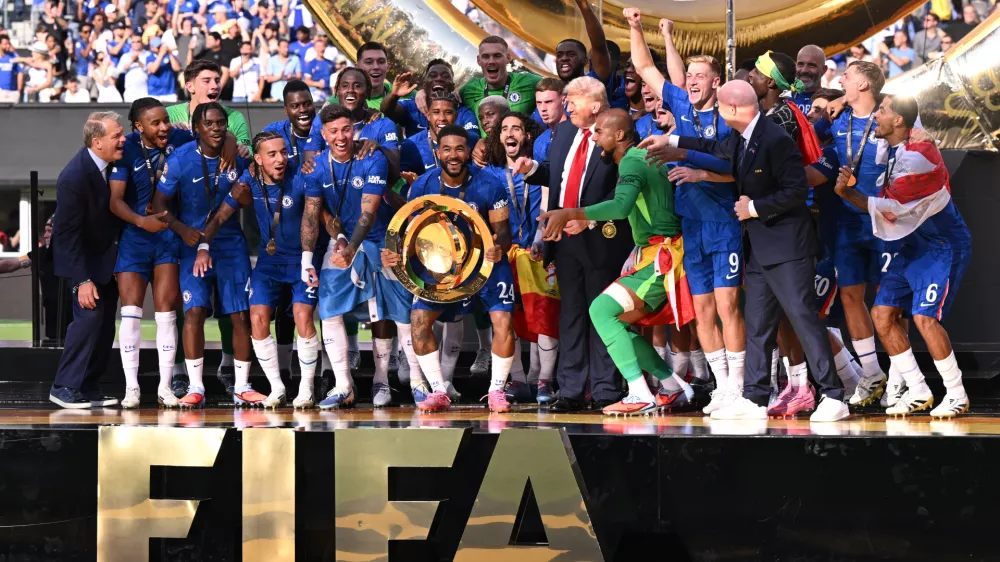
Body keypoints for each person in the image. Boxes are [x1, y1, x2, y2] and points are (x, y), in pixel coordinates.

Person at [652, 80, 848, 422]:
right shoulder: (740, 137)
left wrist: (754, 207)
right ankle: (755, 398)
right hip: (758, 249)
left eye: (721, 109)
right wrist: (672, 140)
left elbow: (797, 190)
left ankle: (834, 395)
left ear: (730, 110)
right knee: (758, 325)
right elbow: (712, 146)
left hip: (788, 246)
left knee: (803, 318)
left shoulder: (775, 140)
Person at [627, 8, 747, 414]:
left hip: (724, 223)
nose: (691, 81)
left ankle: (739, 387)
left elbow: (736, 171)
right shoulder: (679, 102)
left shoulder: (730, 115)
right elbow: (644, 65)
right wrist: (635, 26)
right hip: (690, 226)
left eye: (700, 77)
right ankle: (722, 388)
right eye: (689, 76)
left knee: (728, 305)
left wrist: (699, 174)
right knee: (701, 311)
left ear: (717, 83)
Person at [539, 108, 696, 415]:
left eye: (599, 132)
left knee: (601, 310)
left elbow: (621, 207)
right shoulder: (638, 157)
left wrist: (573, 213)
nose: (594, 137)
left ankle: (640, 392)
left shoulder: (633, 161)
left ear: (620, 135)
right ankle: (673, 387)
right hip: (653, 252)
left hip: (661, 256)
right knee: (619, 320)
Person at [834, 95, 971, 418]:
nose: (875, 116)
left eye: (882, 111)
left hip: (941, 245)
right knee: (882, 316)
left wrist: (847, 193)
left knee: (924, 318)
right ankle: (918, 389)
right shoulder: (896, 145)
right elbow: (909, 122)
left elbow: (892, 212)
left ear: (898, 121)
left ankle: (956, 393)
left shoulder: (917, 157)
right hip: (911, 245)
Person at [511, 76, 632, 412]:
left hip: (601, 239)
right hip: (564, 240)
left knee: (602, 315)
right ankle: (571, 389)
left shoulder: (616, 131)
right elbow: (557, 172)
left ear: (595, 104)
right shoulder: (563, 131)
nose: (567, 106)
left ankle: (607, 389)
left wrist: (589, 219)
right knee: (571, 315)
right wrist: (532, 167)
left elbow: (620, 190)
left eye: (572, 100)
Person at [382, 125, 517, 413]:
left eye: (459, 149)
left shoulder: (490, 184)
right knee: (419, 320)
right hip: (442, 267)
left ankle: (496, 392)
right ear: (437, 152)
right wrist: (394, 255)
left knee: (503, 323)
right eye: (447, 149)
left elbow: (503, 232)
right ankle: (439, 391)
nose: (453, 155)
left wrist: (499, 247)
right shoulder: (422, 185)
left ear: (468, 151)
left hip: (487, 265)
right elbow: (410, 229)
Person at [301, 104, 427, 408]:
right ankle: (344, 386)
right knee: (328, 308)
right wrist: (309, 257)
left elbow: (368, 212)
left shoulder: (372, 158)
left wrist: (351, 247)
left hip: (384, 240)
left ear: (354, 129)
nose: (341, 136)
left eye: (346, 129)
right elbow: (312, 214)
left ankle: (417, 382)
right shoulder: (316, 167)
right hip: (344, 240)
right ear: (323, 134)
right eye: (334, 131)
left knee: (400, 311)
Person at [202, 131, 322, 408]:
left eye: (283, 152)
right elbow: (222, 213)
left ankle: (306, 389)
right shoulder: (248, 179)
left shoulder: (303, 176)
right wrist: (203, 246)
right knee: (257, 317)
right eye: (272, 154)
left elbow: (314, 218)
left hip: (302, 260)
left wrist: (311, 259)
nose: (281, 159)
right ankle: (277, 388)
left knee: (303, 315)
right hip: (269, 263)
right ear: (258, 159)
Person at [151, 102, 259, 407]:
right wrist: (181, 228)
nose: (216, 128)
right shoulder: (182, 159)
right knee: (194, 312)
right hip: (190, 243)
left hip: (230, 246)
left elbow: (248, 201)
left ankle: (242, 385)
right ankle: (196, 387)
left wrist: (243, 189)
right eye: (209, 123)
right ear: (197, 128)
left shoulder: (235, 157)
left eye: (221, 123)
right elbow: (158, 204)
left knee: (239, 315)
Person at [108, 98, 193, 409]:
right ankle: (132, 388)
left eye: (165, 121)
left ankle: (165, 387)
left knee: (166, 313)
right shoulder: (126, 146)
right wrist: (141, 220)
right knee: (130, 312)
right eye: (155, 123)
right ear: (138, 126)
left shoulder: (182, 138)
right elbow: (115, 201)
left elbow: (215, 138)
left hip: (168, 238)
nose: (164, 127)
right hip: (134, 237)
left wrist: (231, 146)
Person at [815, 61, 890, 407]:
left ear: (863, 84)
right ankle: (872, 374)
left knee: (890, 306)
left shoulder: (890, 114)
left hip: (884, 220)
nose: (840, 78)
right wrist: (836, 106)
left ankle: (902, 378)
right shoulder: (837, 119)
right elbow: (812, 141)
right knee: (849, 298)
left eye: (847, 75)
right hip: (846, 222)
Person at [480, 111, 560, 404]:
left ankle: (544, 380)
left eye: (516, 128)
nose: (510, 133)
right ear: (498, 137)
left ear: (527, 135)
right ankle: (517, 380)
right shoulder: (487, 173)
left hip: (538, 252)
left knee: (545, 316)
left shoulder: (540, 169)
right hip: (504, 256)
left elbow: (548, 207)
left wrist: (540, 240)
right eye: (504, 129)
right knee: (505, 320)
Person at [49, 111, 126, 409]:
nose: (123, 140)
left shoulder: (112, 159)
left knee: (105, 324)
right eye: (116, 136)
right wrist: (81, 280)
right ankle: (64, 387)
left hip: (106, 262)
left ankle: (88, 386)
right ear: (97, 143)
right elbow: (66, 235)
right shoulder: (74, 177)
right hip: (82, 264)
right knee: (88, 319)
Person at [381, 59, 480, 139]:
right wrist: (394, 96)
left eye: (445, 76)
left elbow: (473, 138)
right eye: (433, 75)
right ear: (424, 83)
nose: (438, 78)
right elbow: (387, 110)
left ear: (452, 86)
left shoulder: (464, 113)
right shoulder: (412, 106)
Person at [460, 36, 543, 129]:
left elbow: (557, 88)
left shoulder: (529, 81)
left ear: (508, 58)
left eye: (497, 56)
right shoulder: (468, 90)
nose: (491, 61)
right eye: (486, 56)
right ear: (479, 60)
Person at [399, 90, 463, 174]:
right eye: (436, 112)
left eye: (448, 112)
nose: (442, 118)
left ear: (456, 116)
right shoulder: (410, 145)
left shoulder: (466, 141)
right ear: (428, 116)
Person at [262, 79, 316, 172]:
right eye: (295, 106)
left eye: (307, 104)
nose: (302, 110)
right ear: (286, 110)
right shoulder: (274, 132)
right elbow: (255, 161)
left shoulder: (328, 130)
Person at [532, 77, 567, 161]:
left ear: (564, 100)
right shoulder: (540, 142)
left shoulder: (579, 133)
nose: (543, 108)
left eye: (548, 102)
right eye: (539, 103)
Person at [145, 36, 181, 102]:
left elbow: (177, 68)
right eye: (157, 47)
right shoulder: (149, 57)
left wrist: (169, 53)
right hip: (154, 92)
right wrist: (161, 54)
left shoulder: (170, 56)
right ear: (152, 48)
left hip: (169, 92)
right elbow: (153, 69)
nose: (160, 49)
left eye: (160, 46)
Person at [792, 44, 826, 114]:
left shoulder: (830, 102)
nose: (804, 70)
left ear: (824, 70)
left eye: (811, 65)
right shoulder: (784, 99)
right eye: (800, 64)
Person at [0, 34, 22, 103]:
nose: (8, 46)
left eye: (8, 43)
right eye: (5, 44)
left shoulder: (14, 56)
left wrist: (19, 90)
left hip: (12, 92)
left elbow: (20, 72)